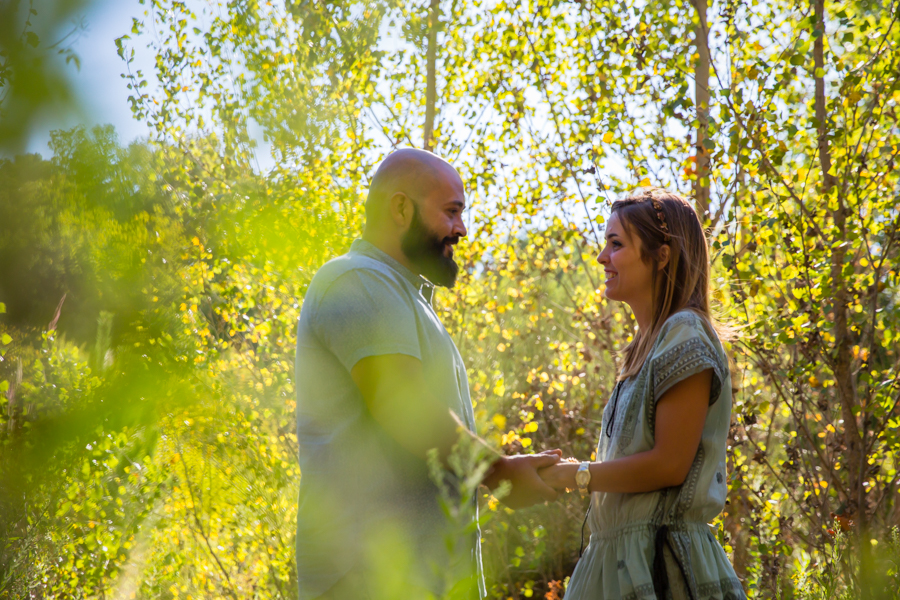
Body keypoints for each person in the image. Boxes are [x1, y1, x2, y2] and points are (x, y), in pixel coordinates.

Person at [294, 148, 561, 600]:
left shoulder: (405, 296)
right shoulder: (357, 279)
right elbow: (404, 406)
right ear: (400, 208)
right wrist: (499, 473)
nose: (461, 229)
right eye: (451, 212)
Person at [538, 189, 746, 600]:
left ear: (662, 256)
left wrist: (576, 475)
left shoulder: (684, 332)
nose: (602, 257)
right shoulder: (643, 346)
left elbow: (669, 465)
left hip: (661, 567)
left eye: (616, 244)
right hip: (619, 561)